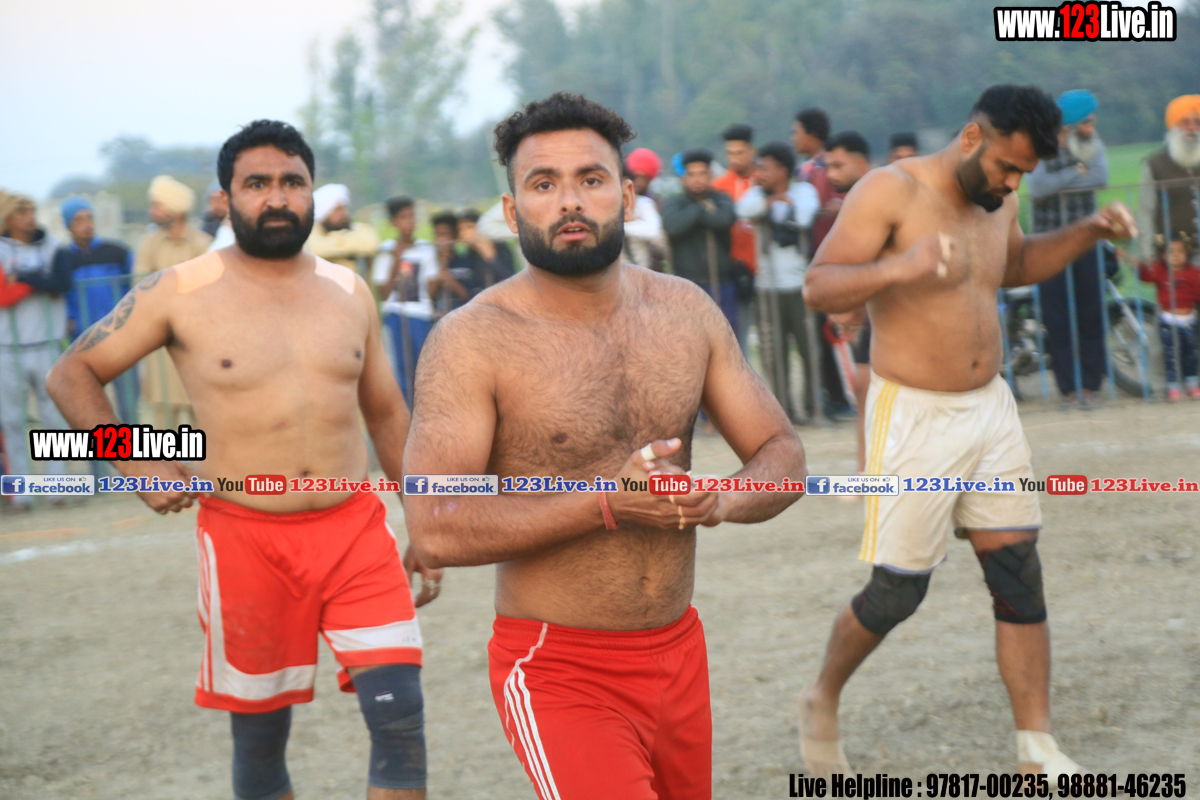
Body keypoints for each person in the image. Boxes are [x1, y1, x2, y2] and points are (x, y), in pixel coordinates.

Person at [403, 92, 806, 800]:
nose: (569, 201)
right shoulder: (472, 341)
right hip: (558, 666)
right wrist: (605, 504)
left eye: (590, 179)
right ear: (511, 212)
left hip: (680, 650)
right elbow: (435, 525)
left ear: (625, 196)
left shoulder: (685, 311)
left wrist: (721, 499)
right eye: (543, 183)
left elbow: (782, 452)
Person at [46, 119, 442, 800]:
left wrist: (427, 524)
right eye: (257, 184)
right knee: (261, 742)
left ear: (312, 191)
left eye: (292, 182)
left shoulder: (349, 290)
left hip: (355, 531)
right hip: (245, 540)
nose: (277, 197)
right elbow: (70, 375)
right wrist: (139, 461)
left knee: (400, 714)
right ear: (226, 199)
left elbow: (385, 413)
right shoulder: (179, 289)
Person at [799, 84, 1136, 778]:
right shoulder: (889, 190)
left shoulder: (997, 199)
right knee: (898, 591)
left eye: (1023, 174)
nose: (1013, 184)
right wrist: (901, 265)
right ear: (973, 137)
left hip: (991, 410)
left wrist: (1090, 231)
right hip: (913, 415)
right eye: (1007, 168)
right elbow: (820, 286)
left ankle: (1036, 748)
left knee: (1018, 576)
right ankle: (822, 696)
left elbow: (1013, 266)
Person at [1026, 90, 1110, 407]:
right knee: (1057, 318)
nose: (1091, 128)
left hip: (1086, 241)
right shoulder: (1042, 147)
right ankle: (1068, 389)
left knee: (1091, 313)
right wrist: (1076, 171)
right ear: (1069, 126)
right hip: (1048, 244)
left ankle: (1091, 386)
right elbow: (1038, 187)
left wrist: (1061, 182)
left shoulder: (1093, 144)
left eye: (1092, 122)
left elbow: (1101, 178)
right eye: (1086, 122)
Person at [736, 142, 821, 424]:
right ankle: (784, 411)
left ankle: (813, 407)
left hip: (799, 285)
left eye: (766, 168)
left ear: (783, 170)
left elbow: (805, 216)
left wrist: (781, 203)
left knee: (809, 349)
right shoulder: (757, 193)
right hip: (767, 286)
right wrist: (772, 201)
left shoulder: (803, 190)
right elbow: (743, 209)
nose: (760, 173)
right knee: (774, 353)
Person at [0, 192, 70, 506]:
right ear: (8, 217)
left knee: (54, 420)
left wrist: (26, 278)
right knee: (12, 421)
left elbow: (61, 282)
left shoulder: (53, 246)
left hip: (47, 343)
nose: (30, 216)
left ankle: (58, 486)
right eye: (22, 212)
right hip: (8, 347)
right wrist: (40, 282)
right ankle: (21, 492)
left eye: (31, 210)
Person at [135, 175, 212, 428]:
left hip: (196, 341)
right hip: (160, 340)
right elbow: (141, 288)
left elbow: (209, 291)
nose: (152, 211)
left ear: (175, 210)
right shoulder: (148, 244)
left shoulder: (202, 244)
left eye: (157, 205)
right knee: (162, 418)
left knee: (200, 417)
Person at [54, 196, 138, 424]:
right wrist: (69, 320)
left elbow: (136, 288)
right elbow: (59, 296)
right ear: (68, 225)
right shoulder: (62, 258)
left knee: (129, 406)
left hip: (120, 340)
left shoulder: (118, 252)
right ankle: (99, 450)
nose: (87, 224)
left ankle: (135, 447)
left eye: (89, 218)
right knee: (91, 410)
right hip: (82, 343)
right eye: (79, 220)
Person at [793, 107, 853, 419]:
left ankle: (848, 395)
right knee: (820, 331)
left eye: (797, 132)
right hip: (815, 258)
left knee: (837, 329)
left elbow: (842, 202)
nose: (794, 138)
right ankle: (834, 395)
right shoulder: (805, 170)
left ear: (812, 134)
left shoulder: (829, 167)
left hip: (835, 258)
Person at [822, 132, 875, 467]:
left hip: (894, 316)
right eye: (828, 166)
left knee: (870, 392)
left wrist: (853, 306)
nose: (831, 174)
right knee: (865, 392)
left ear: (861, 163)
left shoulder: (877, 199)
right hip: (872, 313)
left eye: (838, 166)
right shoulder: (854, 201)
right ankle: (866, 473)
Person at [661, 148, 739, 334]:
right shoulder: (674, 202)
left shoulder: (721, 198)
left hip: (720, 282)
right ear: (683, 178)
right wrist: (701, 208)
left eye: (702, 174)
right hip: (686, 284)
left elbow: (724, 219)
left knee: (726, 336)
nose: (697, 179)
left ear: (710, 175)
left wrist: (694, 216)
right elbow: (672, 226)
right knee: (689, 338)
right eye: (691, 174)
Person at [379, 197, 439, 407]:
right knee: (401, 369)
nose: (409, 222)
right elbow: (383, 293)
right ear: (393, 222)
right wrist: (396, 259)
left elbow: (431, 291)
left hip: (420, 314)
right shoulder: (385, 250)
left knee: (424, 368)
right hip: (395, 313)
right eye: (403, 217)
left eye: (412, 216)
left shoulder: (426, 249)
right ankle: (406, 415)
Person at [711, 123, 760, 354]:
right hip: (736, 271)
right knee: (738, 338)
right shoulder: (719, 187)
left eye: (740, 153)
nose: (734, 159)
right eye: (730, 153)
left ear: (752, 151)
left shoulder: (765, 179)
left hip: (766, 269)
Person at [1137, 95, 1200, 266]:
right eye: (1185, 122)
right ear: (1174, 126)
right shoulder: (1154, 164)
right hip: (1171, 257)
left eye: (1197, 122)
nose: (1192, 128)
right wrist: (1147, 253)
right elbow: (1145, 211)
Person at [1139, 236, 1200, 401]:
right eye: (1171, 252)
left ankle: (1192, 384)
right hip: (1168, 321)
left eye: (1180, 251)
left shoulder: (1194, 272)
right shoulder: (1160, 271)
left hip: (1189, 321)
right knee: (1170, 355)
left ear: (1187, 254)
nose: (1176, 255)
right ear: (1163, 255)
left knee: (1191, 354)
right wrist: (1140, 266)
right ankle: (1173, 386)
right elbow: (1145, 277)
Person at [306, 183, 380, 276]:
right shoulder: (310, 232)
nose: (344, 213)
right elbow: (316, 249)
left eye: (344, 208)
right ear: (324, 212)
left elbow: (370, 244)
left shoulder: (360, 228)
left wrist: (333, 243)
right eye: (337, 209)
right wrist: (350, 245)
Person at [622, 147, 667, 271]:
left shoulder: (648, 203)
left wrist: (620, 226)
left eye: (645, 178)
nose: (640, 182)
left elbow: (653, 231)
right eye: (636, 177)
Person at [425, 212, 477, 316]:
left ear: (455, 236)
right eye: (438, 235)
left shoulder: (466, 261)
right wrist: (442, 269)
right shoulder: (430, 262)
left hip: (462, 317)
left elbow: (471, 297)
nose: (441, 240)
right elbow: (428, 297)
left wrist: (451, 282)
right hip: (437, 319)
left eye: (445, 235)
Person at [458, 209, 516, 292]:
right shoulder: (467, 256)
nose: (463, 233)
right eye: (460, 229)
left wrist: (491, 257)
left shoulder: (500, 247)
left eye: (469, 227)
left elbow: (509, 278)